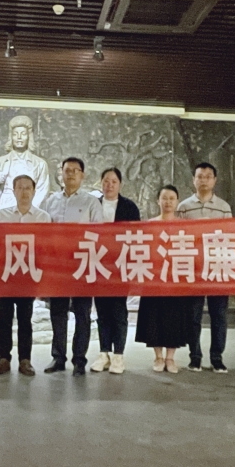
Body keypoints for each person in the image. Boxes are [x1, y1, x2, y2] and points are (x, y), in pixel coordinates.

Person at [41, 157, 103, 376]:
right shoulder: (51, 201)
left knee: (82, 313)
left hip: (82, 264)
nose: (70, 174)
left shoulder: (91, 202)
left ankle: (79, 360)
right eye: (66, 170)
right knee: (57, 312)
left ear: (82, 175)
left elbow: (99, 233)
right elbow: (43, 231)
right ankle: (58, 357)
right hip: (57, 265)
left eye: (75, 171)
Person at [0, 175, 51, 377]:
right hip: (6, 273)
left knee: (26, 318)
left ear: (34, 191)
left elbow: (46, 247)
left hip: (28, 273)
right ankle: (3, 358)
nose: (24, 192)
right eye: (20, 188)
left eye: (27, 188)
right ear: (14, 191)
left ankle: (25, 359)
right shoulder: (2, 215)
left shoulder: (42, 217)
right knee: (4, 317)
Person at [176, 162, 232, 373]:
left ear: (214, 180)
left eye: (208, 176)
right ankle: (195, 356)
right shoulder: (184, 207)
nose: (204, 180)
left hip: (218, 266)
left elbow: (230, 236)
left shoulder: (224, 207)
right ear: (194, 180)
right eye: (200, 176)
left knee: (219, 316)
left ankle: (217, 357)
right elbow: (178, 236)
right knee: (193, 316)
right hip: (194, 268)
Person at [91, 167, 141, 374]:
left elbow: (136, 236)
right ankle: (104, 353)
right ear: (101, 183)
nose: (109, 185)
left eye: (113, 181)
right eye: (106, 181)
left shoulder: (129, 207)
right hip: (98, 264)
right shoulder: (93, 204)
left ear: (120, 184)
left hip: (121, 265)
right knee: (102, 311)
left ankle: (119, 355)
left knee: (119, 310)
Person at [135, 185, 189, 373]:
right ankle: (158, 357)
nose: (168, 202)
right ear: (158, 200)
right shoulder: (149, 224)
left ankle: (170, 358)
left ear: (177, 201)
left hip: (175, 280)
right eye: (164, 198)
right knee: (154, 317)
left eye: (172, 198)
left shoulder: (184, 226)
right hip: (154, 279)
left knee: (173, 317)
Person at [0, 115, 50, 215]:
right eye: (15, 134)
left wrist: (28, 211)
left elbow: (42, 193)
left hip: (30, 211)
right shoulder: (0, 163)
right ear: (11, 137)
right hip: (4, 210)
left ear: (29, 136)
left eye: (23, 134)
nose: (19, 137)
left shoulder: (40, 164)